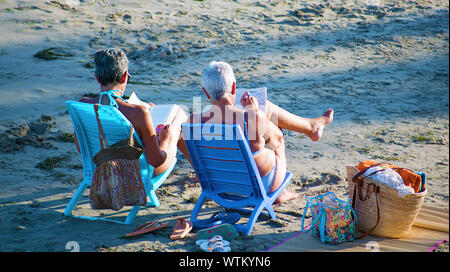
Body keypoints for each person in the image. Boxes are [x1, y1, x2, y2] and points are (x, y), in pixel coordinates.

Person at [180, 61, 333, 203]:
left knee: (260, 127)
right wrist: (256, 113)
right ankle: (281, 193)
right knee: (276, 136)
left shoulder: (193, 121)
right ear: (233, 87)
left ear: (206, 93)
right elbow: (277, 139)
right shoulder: (249, 117)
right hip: (255, 188)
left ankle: (312, 127)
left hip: (219, 188)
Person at [75, 48, 187, 176]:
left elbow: (81, 148)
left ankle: (199, 173)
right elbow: (156, 161)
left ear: (97, 77)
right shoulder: (138, 113)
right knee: (179, 117)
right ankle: (200, 173)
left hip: (100, 172)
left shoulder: (82, 105)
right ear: (124, 77)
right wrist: (165, 140)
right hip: (136, 175)